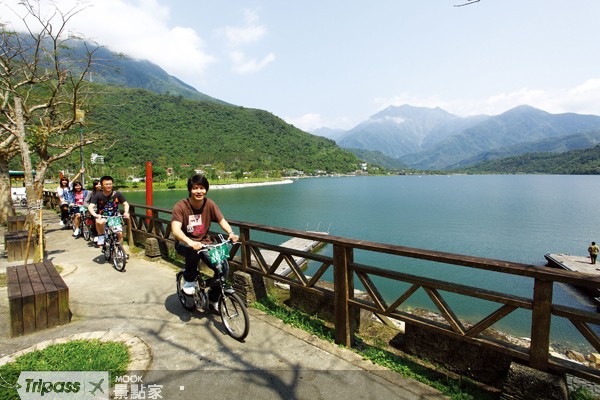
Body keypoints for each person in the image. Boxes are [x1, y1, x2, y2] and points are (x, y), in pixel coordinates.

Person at [171, 174, 239, 308]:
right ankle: (189, 280)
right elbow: (175, 230)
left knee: (222, 267)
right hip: (184, 243)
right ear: (190, 190)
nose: (199, 191)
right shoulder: (181, 206)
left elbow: (221, 220)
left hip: (205, 242)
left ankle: (213, 298)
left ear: (206, 190)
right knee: (192, 250)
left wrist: (230, 233)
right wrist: (189, 241)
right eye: (195, 188)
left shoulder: (209, 204)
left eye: (202, 188)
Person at [87, 175, 130, 247]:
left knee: (119, 234)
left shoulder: (117, 194)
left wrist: (126, 212)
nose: (108, 186)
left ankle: (120, 251)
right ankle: (101, 235)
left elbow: (125, 204)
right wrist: (95, 214)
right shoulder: (98, 195)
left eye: (110, 184)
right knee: (99, 221)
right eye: (106, 184)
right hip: (103, 215)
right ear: (102, 185)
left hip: (115, 216)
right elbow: (90, 206)